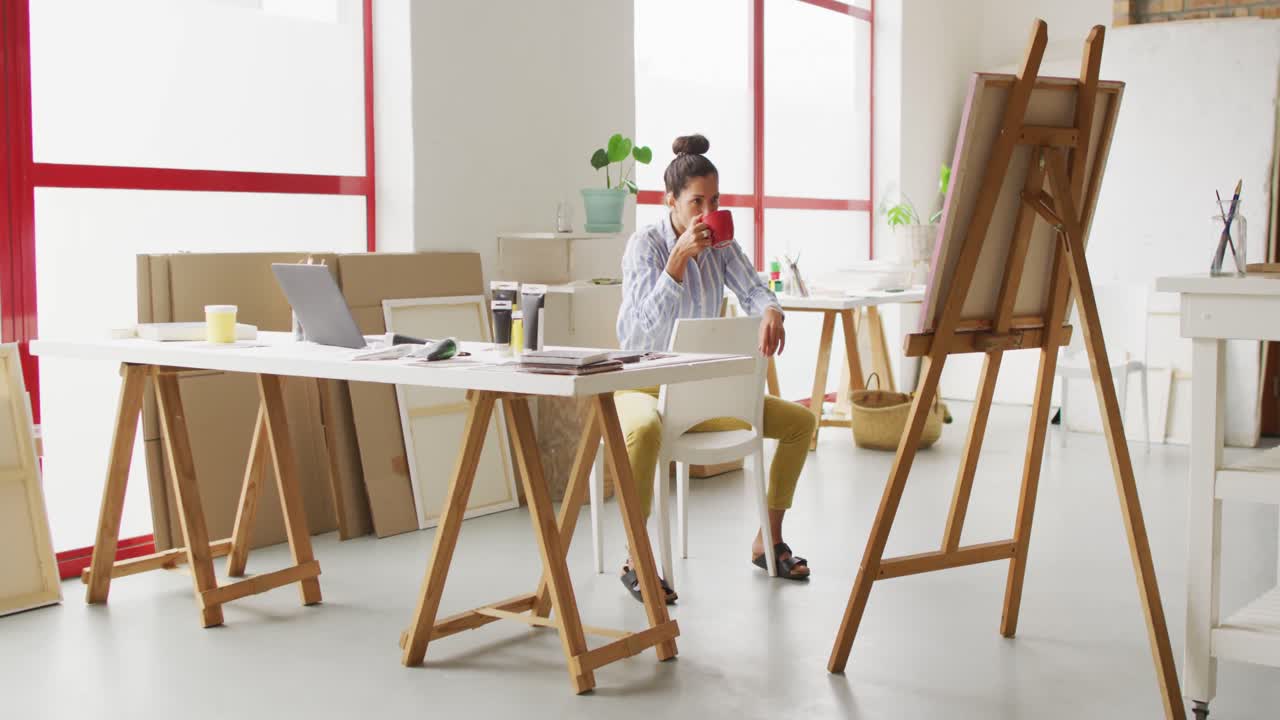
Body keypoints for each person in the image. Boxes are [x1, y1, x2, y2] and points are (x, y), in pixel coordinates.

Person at [614, 133, 816, 603]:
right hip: (641, 387)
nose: (707, 213)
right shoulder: (644, 247)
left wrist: (771, 311)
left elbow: (755, 289)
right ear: (672, 203)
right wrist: (677, 263)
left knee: (799, 424)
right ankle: (635, 556)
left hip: (699, 394)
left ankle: (768, 540)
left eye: (716, 200)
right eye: (696, 202)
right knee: (643, 433)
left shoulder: (723, 245)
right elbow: (635, 337)